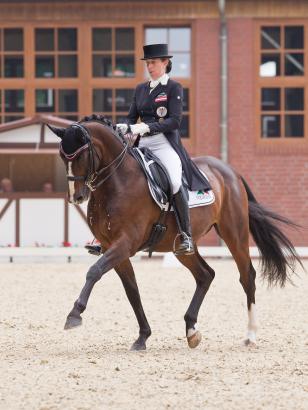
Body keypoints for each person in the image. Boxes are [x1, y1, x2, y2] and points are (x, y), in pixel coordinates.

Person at [116, 43, 211, 255]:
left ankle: (186, 235)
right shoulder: (141, 89)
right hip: (142, 143)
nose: (149, 67)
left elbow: (175, 121)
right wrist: (125, 126)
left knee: (175, 181)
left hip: (164, 143)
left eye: (153, 63)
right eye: (147, 63)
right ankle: (106, 233)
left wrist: (145, 126)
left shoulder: (173, 88)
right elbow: (131, 117)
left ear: (165, 63)